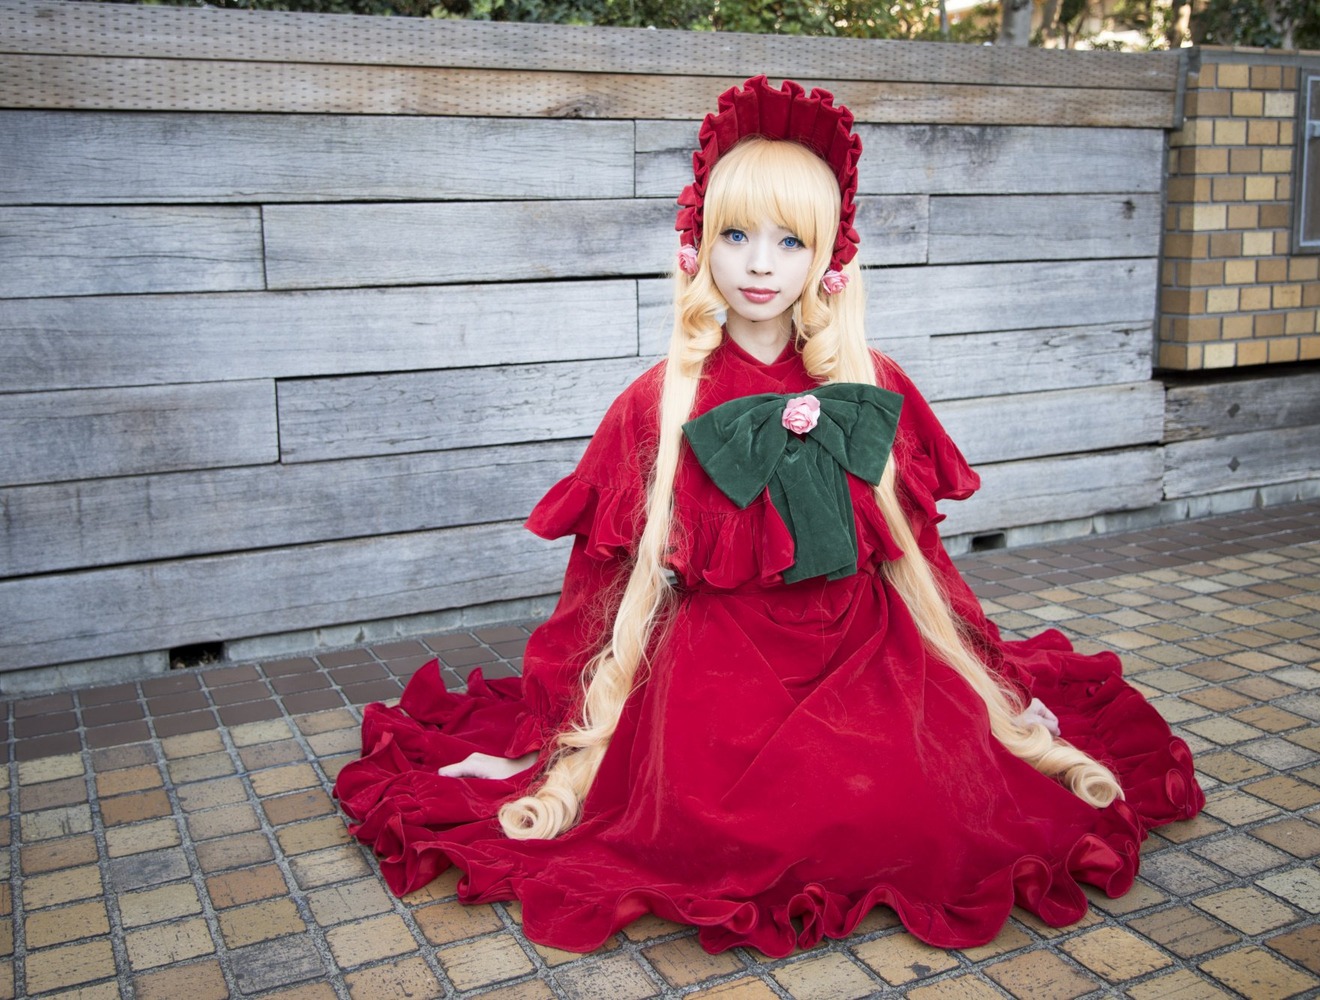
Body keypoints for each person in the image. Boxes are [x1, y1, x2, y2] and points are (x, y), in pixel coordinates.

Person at [334, 76, 1203, 958]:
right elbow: (596, 584)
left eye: (790, 242)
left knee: (910, 804)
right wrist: (548, 739)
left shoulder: (874, 389)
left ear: (828, 257)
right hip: (715, 669)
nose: (759, 265)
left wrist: (997, 689)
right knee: (720, 825)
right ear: (697, 245)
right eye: (736, 235)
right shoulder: (655, 405)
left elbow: (922, 559)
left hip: (867, 650)